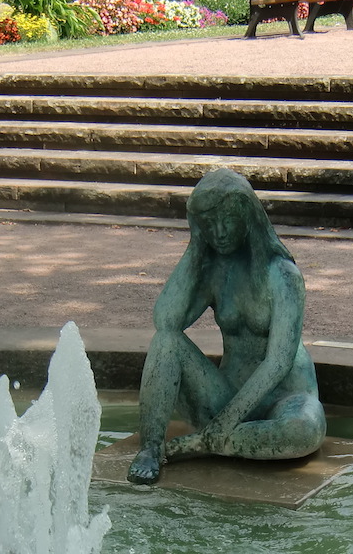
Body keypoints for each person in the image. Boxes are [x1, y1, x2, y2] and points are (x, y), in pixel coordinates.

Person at [127, 168, 326, 485]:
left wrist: (223, 426)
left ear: (247, 216)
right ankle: (151, 449)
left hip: (285, 401)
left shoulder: (283, 274)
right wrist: (195, 247)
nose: (218, 232)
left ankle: (204, 444)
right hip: (226, 397)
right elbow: (166, 321)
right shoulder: (215, 270)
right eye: (208, 224)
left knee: (303, 431)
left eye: (227, 220)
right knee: (166, 342)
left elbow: (278, 362)